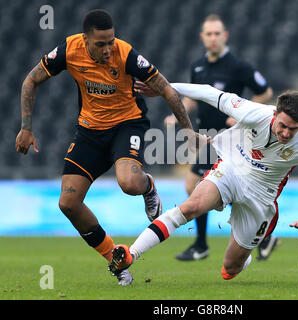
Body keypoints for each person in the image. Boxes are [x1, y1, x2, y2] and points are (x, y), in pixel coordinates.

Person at [15, 9, 201, 286]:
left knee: (128, 182)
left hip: (127, 126)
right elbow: (31, 80)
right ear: (86, 39)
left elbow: (168, 90)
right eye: (100, 43)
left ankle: (147, 186)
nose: (107, 49)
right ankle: (117, 260)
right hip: (89, 132)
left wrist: (189, 132)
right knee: (68, 203)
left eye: (110, 41)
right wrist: (26, 127)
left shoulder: (126, 54)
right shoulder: (69, 49)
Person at [108, 83, 298, 282]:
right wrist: (163, 87)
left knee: (230, 269)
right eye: (282, 125)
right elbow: (208, 92)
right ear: (275, 114)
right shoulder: (255, 113)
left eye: (292, 129)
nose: (285, 133)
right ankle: (131, 254)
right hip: (232, 168)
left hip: (261, 195)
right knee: (191, 207)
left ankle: (242, 258)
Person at [162, 14, 275, 262]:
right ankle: (260, 235)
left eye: (217, 34)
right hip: (208, 138)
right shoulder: (197, 66)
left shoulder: (238, 66)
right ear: (202, 37)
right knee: (204, 187)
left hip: (232, 139)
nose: (213, 38)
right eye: (208, 34)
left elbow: (265, 91)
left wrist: (244, 117)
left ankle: (204, 244)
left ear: (225, 36)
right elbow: (192, 98)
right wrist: (177, 115)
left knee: (199, 187)